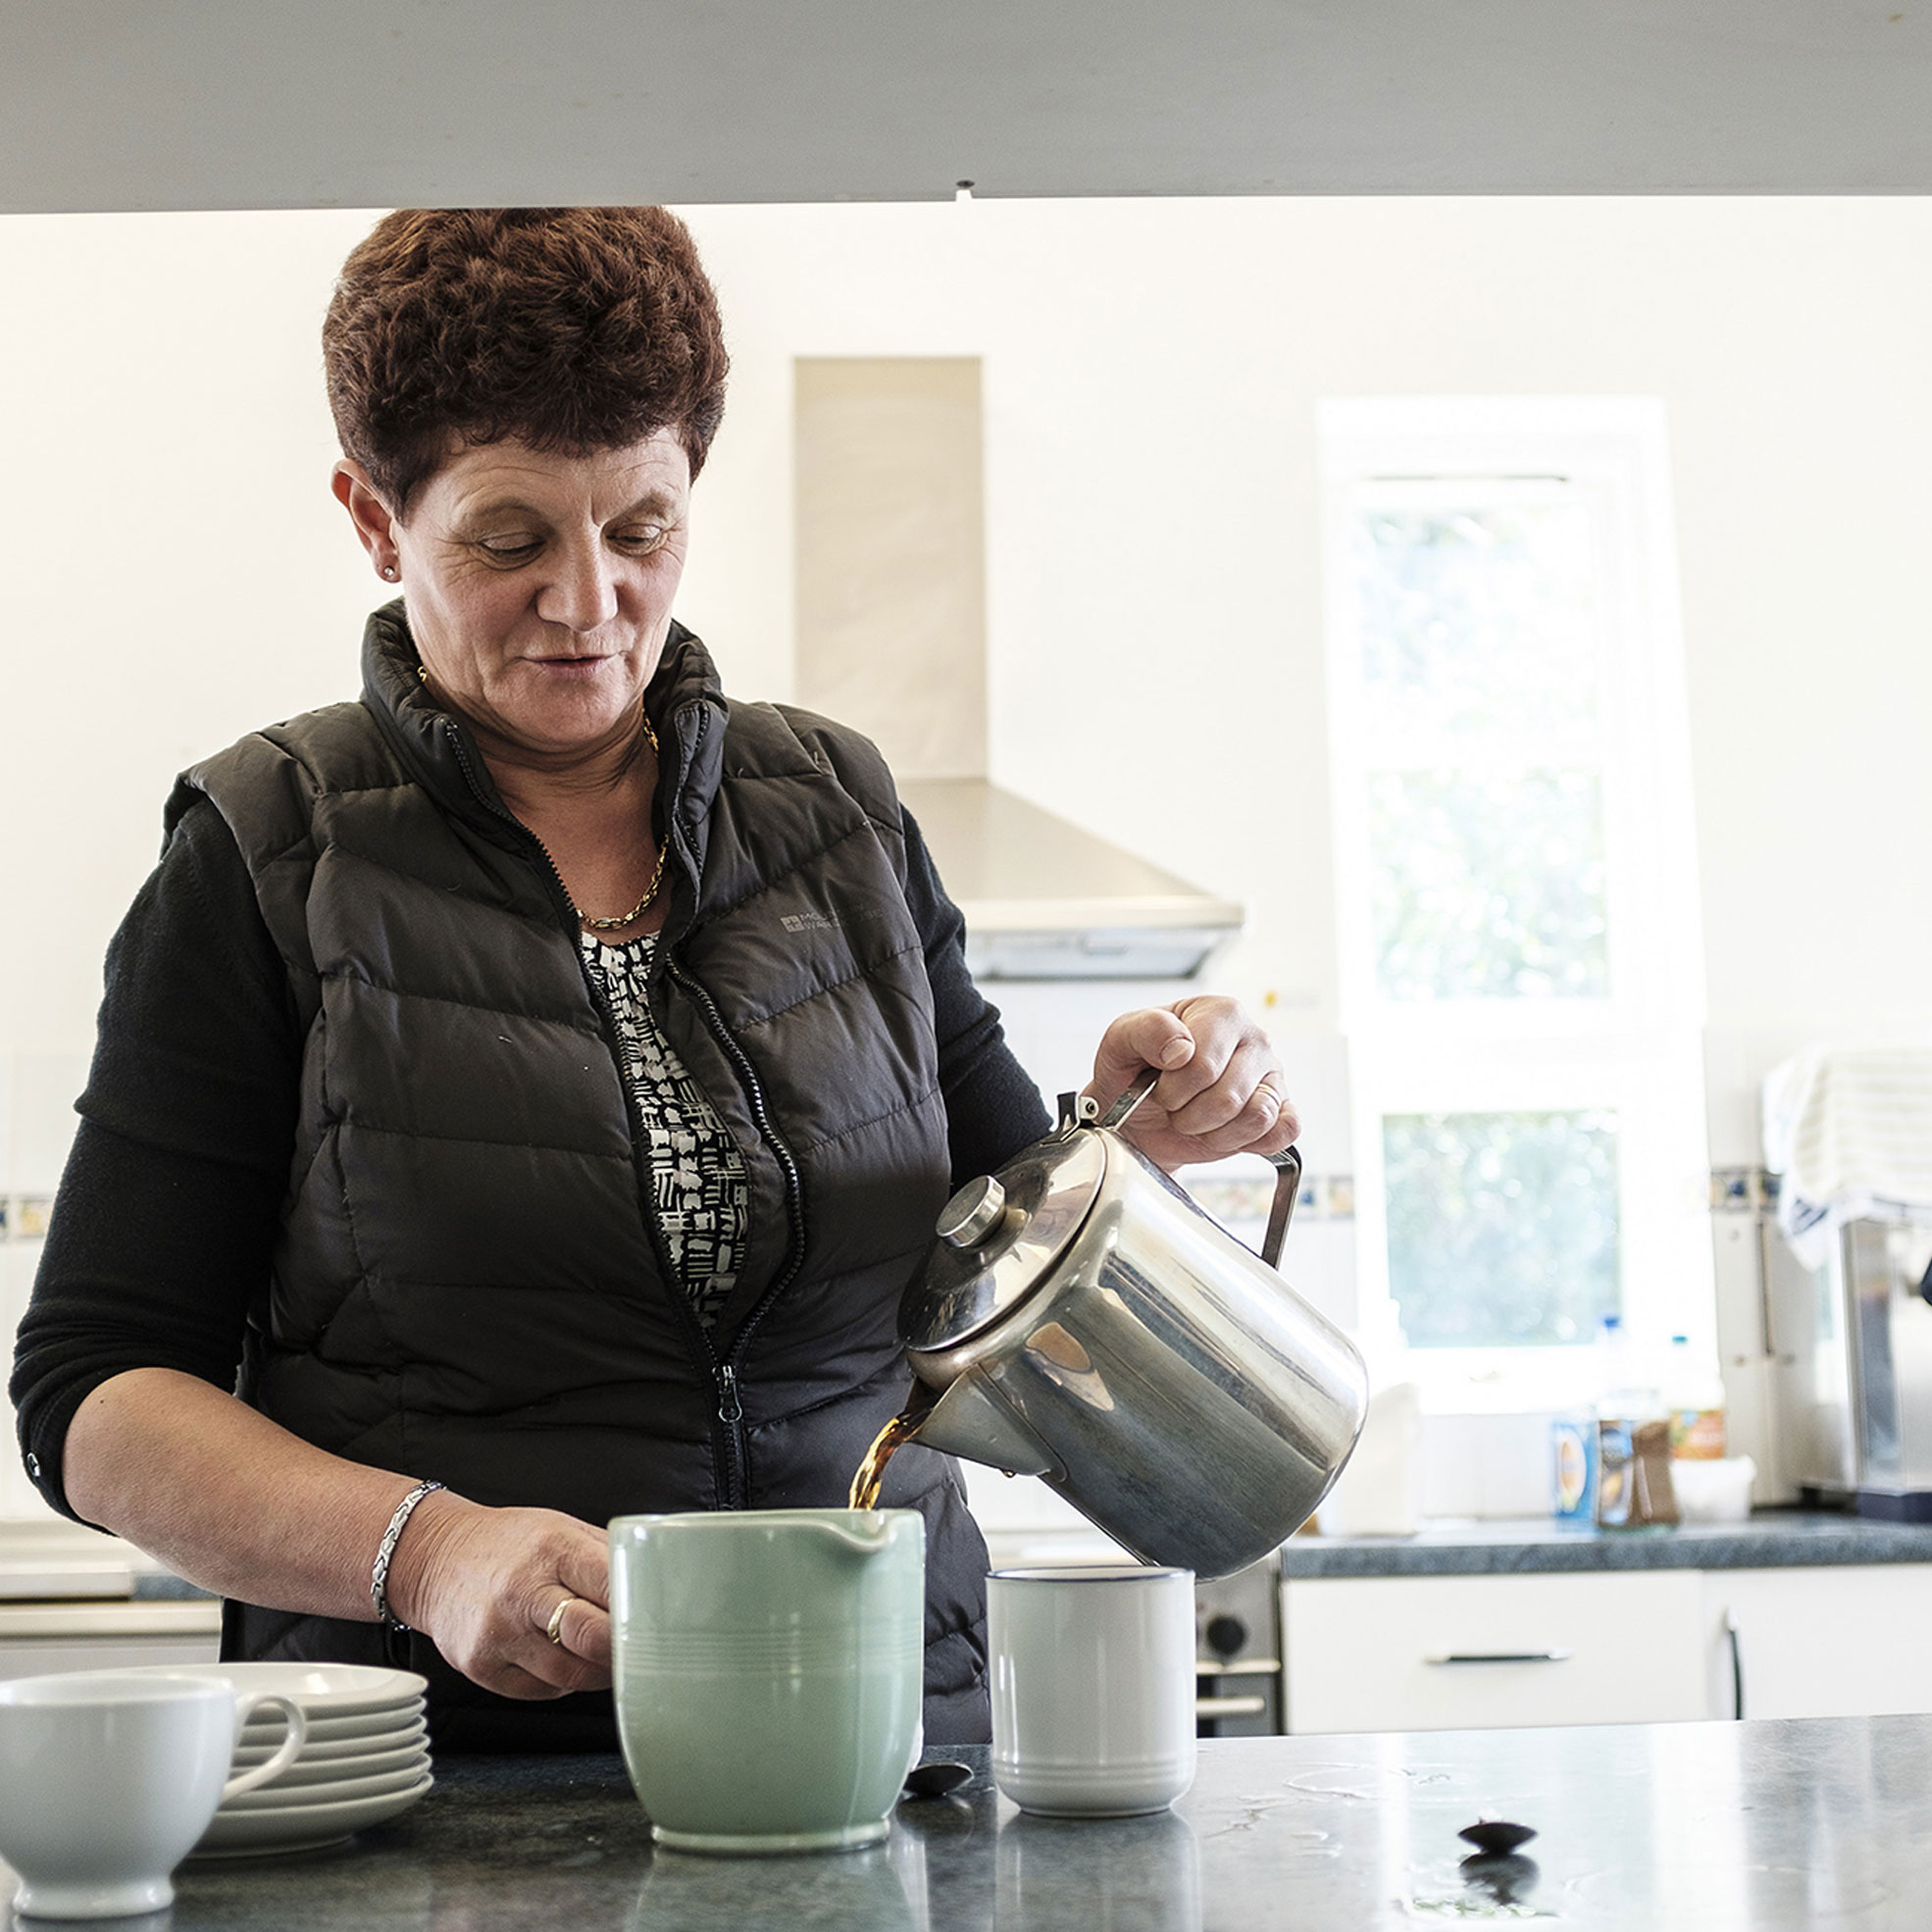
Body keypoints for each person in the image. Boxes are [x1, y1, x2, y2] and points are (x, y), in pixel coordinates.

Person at [10, 207, 1297, 1751]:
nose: (588, 600)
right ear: (374, 519)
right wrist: (425, 1552)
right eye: (508, 537)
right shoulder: (263, 850)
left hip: (888, 1739)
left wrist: (1136, 1123)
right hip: (454, 1778)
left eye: (642, 528)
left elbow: (995, 1242)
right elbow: (93, 1393)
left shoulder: (837, 811)